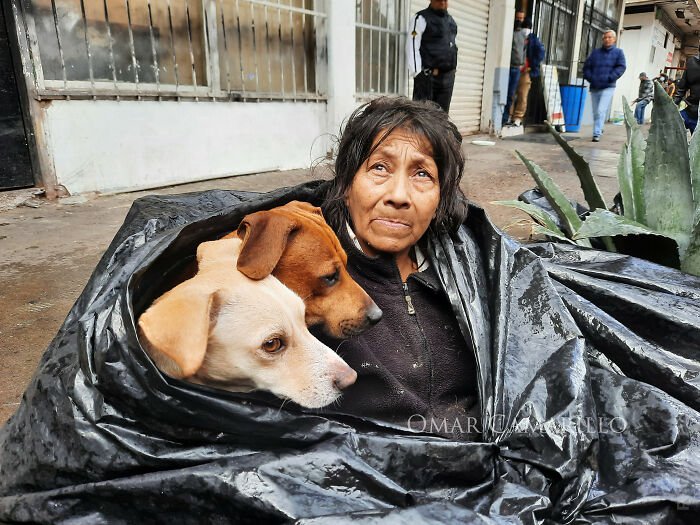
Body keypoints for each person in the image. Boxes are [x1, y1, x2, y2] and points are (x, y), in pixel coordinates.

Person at [319, 97, 479, 437]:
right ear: (346, 186)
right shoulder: (308, 276)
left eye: (422, 173)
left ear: (440, 200)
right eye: (379, 167)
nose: (399, 195)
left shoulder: (470, 270)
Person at [407, 0, 458, 113]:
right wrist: (417, 73)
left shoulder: (451, 21)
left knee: (442, 117)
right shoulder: (421, 18)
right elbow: (412, 44)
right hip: (428, 77)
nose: (443, 3)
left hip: (447, 78)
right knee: (422, 116)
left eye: (445, 0)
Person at [583, 29, 626, 142]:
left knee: (601, 110)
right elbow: (586, 67)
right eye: (605, 37)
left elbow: (621, 67)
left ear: (614, 39)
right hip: (595, 86)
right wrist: (591, 78)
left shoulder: (618, 53)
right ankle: (600, 127)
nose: (607, 39)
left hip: (608, 86)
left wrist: (610, 77)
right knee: (596, 111)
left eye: (609, 37)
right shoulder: (595, 53)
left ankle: (596, 133)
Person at [506, 18, 545, 127]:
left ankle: (517, 117)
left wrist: (533, 64)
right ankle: (509, 115)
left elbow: (541, 52)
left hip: (526, 71)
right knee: (511, 93)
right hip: (515, 68)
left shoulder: (533, 39)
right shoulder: (518, 37)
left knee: (522, 94)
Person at [503, 10, 528, 126]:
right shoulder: (509, 32)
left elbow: (523, 50)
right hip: (507, 67)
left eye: (521, 18)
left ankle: (507, 117)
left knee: (511, 95)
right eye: (517, 17)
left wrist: (522, 63)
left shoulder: (523, 34)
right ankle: (503, 118)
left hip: (517, 68)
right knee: (505, 92)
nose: (519, 20)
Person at [673, 54, 700, 133]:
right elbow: (682, 88)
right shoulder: (692, 62)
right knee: (669, 128)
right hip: (690, 111)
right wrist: (672, 106)